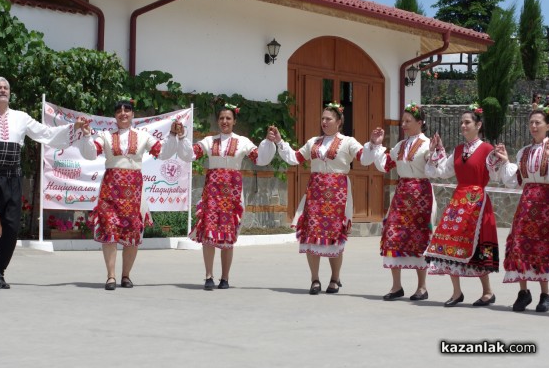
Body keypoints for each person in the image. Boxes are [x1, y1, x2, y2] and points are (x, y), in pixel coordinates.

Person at [0, 76, 86, 291]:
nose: (2, 90)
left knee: (12, 228)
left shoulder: (21, 118)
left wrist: (74, 128)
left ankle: (0, 270)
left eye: (5, 87)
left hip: (12, 177)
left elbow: (46, 134)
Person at [269, 102, 372, 295]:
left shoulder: (348, 142)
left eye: (328, 119)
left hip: (337, 194)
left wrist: (373, 144)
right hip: (316, 193)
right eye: (322, 118)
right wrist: (280, 142)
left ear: (339, 121)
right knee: (311, 236)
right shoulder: (313, 142)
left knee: (334, 238)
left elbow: (364, 158)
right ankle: (314, 279)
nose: (324, 122)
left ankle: (334, 278)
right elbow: (295, 158)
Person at [78, 99, 180, 290]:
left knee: (132, 231)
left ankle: (126, 275)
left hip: (134, 190)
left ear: (133, 114)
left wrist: (173, 134)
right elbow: (91, 154)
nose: (123, 113)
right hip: (110, 189)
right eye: (118, 110)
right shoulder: (105, 136)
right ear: (115, 116)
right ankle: (111, 276)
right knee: (109, 230)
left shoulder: (143, 136)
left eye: (127, 110)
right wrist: (85, 135)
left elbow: (164, 153)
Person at [175, 102, 276, 290]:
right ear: (217, 121)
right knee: (209, 233)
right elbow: (190, 155)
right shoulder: (209, 141)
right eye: (221, 118)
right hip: (212, 192)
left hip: (232, 193)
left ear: (234, 121)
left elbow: (260, 158)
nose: (224, 121)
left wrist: (269, 142)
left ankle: (225, 278)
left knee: (228, 236)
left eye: (228, 118)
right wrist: (181, 137)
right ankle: (208, 276)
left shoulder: (243, 141)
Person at [424, 104, 501, 307]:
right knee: (450, 243)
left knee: (477, 245)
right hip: (458, 201)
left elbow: (495, 174)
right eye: (461, 123)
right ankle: (456, 292)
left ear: (478, 125)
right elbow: (442, 171)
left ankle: (487, 292)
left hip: (477, 202)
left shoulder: (487, 149)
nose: (463, 126)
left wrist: (500, 161)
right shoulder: (458, 150)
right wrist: (436, 151)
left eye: (467, 122)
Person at [364, 103, 435, 301]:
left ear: (420, 122)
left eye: (408, 121)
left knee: (419, 237)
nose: (403, 124)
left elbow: (433, 167)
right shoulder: (401, 145)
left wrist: (435, 153)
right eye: (402, 121)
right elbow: (385, 165)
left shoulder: (427, 144)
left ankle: (422, 287)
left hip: (421, 194)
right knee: (393, 235)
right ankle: (396, 286)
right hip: (402, 193)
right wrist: (377, 145)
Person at [494, 107, 549, 312]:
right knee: (520, 244)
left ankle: (545, 294)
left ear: (548, 125)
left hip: (547, 204)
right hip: (527, 204)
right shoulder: (524, 152)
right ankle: (523, 292)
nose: (534, 126)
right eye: (531, 123)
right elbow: (517, 181)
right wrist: (506, 161)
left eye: (538, 122)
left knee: (542, 247)